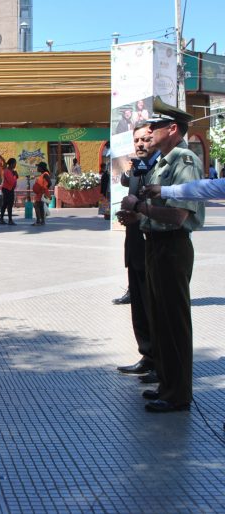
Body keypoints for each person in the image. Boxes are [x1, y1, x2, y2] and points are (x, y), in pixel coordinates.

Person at [119, 96, 205, 413]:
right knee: (160, 321)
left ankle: (178, 394)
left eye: (156, 126)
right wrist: (137, 216)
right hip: (155, 244)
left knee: (173, 323)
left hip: (172, 246)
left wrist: (141, 208)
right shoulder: (164, 162)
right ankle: (167, 386)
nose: (150, 131)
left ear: (172, 129)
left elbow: (179, 215)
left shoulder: (184, 161)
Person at [114, 126, 157, 383]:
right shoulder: (137, 168)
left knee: (154, 309)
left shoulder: (159, 168)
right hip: (135, 246)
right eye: (136, 140)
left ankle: (161, 363)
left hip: (153, 246)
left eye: (145, 139)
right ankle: (147, 356)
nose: (140, 144)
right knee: (140, 309)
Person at [0, 157, 18, 225]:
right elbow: (11, 181)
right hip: (7, 189)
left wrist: (15, 175)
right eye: (15, 163)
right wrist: (15, 176)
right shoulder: (7, 171)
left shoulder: (11, 171)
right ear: (11, 164)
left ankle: (2, 219)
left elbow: (14, 181)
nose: (15, 165)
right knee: (7, 204)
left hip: (10, 189)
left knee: (6, 204)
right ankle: (9, 220)